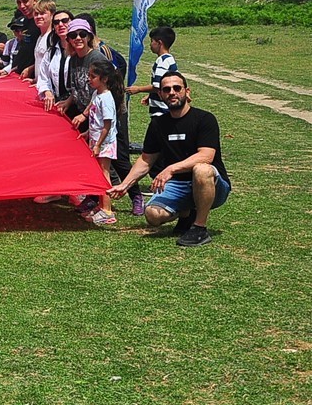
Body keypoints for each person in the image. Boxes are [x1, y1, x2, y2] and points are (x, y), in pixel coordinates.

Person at [109, 72, 231, 247]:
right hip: (179, 186)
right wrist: (124, 184)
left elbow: (206, 156)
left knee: (201, 170)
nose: (172, 92)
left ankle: (199, 228)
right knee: (152, 215)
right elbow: (146, 160)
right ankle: (186, 214)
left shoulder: (205, 119)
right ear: (160, 95)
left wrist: (170, 169)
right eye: (166, 89)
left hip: (212, 184)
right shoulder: (158, 124)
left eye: (177, 88)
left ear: (187, 91)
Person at [74, 59, 124, 225]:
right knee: (98, 172)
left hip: (105, 143)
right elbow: (96, 120)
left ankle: (107, 211)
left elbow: (107, 125)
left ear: (104, 79)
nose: (89, 79)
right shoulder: (97, 94)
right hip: (97, 140)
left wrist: (97, 144)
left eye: (93, 76)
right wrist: (88, 133)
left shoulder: (107, 99)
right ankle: (101, 205)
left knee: (104, 173)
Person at [127, 25, 178, 119]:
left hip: (161, 111)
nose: (150, 45)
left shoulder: (162, 62)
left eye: (152, 41)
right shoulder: (169, 59)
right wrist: (151, 96)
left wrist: (138, 89)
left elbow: (157, 86)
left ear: (159, 43)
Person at [35, 7, 72, 111]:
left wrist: (69, 100)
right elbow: (43, 77)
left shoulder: (79, 51)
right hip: (58, 104)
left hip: (77, 106)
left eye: (64, 21)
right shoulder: (51, 52)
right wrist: (47, 92)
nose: (60, 25)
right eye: (56, 22)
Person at [10, 0, 40, 77]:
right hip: (21, 72)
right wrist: (11, 69)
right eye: (19, 2)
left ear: (35, 0)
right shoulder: (26, 21)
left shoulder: (40, 23)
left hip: (35, 75)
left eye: (25, 2)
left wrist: (32, 68)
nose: (22, 6)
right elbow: (25, 48)